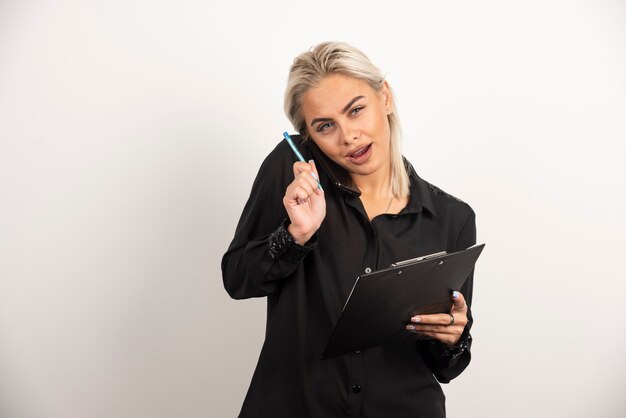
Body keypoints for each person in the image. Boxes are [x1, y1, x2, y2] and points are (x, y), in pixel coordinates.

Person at [221, 41, 476, 418]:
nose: (348, 136)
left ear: (384, 97)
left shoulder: (452, 217)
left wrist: (454, 338)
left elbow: (446, 367)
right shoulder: (290, 174)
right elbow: (237, 280)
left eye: (356, 110)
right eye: (325, 126)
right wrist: (294, 237)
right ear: (308, 134)